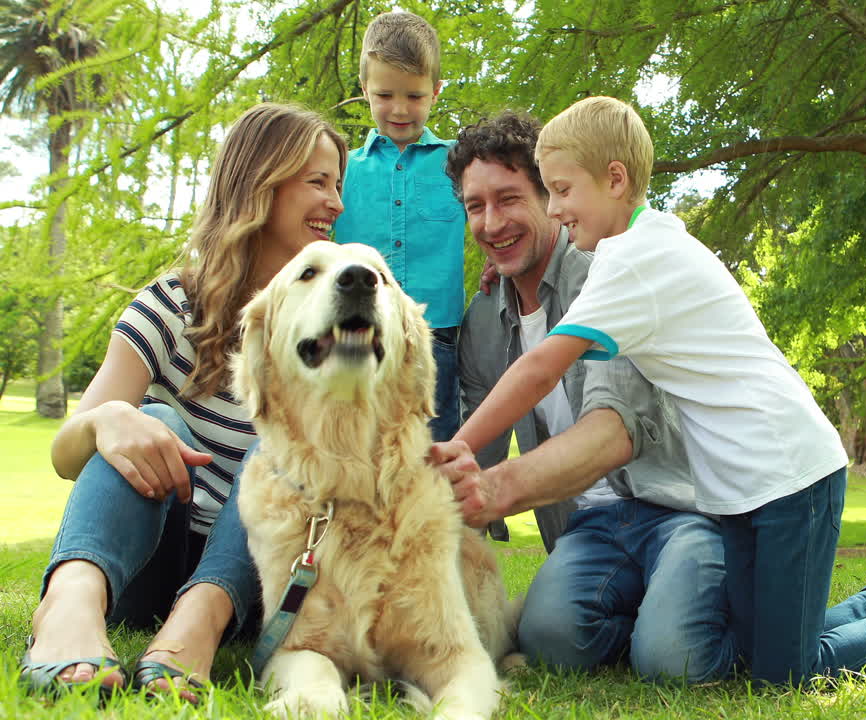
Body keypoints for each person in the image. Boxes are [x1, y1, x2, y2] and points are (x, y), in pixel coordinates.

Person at [448, 96, 866, 686]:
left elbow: (541, 370)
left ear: (615, 180)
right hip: (742, 487)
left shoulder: (630, 263)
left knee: (785, 672)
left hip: (789, 473)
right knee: (762, 645)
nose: (555, 209)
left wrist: (457, 449)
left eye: (560, 191)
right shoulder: (636, 243)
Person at [19, 103, 347, 702]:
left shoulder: (329, 334)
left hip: (247, 583)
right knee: (151, 417)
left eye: (337, 185)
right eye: (317, 182)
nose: (336, 203)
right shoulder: (173, 303)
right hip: (145, 561)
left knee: (292, 442)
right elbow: (65, 457)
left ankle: (195, 626)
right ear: (261, 183)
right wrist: (108, 420)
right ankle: (67, 607)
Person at [437, 111, 735, 682]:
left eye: (509, 199)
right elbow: (472, 456)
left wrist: (496, 491)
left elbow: (613, 432)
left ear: (550, 198)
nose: (492, 223)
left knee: (674, 659)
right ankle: (667, 618)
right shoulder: (483, 322)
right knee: (549, 639)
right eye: (476, 206)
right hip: (589, 532)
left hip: (679, 510)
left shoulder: (609, 272)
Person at [333, 11, 465, 443]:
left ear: (436, 91)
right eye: (385, 94)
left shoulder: (459, 162)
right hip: (355, 332)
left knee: (430, 446)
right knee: (355, 442)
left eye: (415, 95)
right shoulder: (342, 168)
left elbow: (492, 218)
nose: (400, 109)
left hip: (436, 336)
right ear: (365, 90)